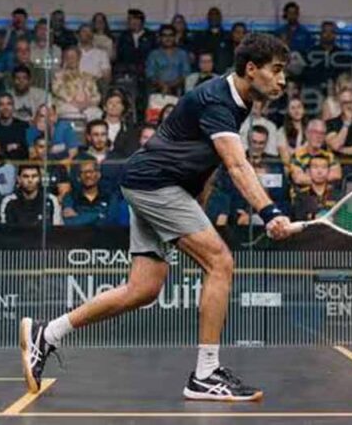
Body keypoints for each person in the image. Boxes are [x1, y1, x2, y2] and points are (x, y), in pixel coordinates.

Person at [20, 33, 294, 402]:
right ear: (251, 69)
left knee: (143, 289)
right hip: (155, 185)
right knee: (220, 262)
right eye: (276, 70)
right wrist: (270, 212)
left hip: (153, 184)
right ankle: (205, 374)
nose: (282, 80)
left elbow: (209, 163)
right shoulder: (218, 99)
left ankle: (47, 333)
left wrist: (197, 208)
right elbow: (236, 164)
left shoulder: (237, 101)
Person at [52, 46, 103, 121]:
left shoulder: (87, 76)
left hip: (87, 105)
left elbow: (96, 95)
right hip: (67, 105)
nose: (71, 60)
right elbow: (57, 90)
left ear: (79, 58)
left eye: (73, 57)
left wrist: (88, 103)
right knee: (74, 112)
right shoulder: (59, 76)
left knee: (97, 113)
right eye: (68, 57)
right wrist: (73, 102)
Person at [61, 159, 115, 226]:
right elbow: (70, 222)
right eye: (84, 172)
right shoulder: (70, 197)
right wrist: (99, 215)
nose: (88, 175)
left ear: (99, 174)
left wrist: (80, 216)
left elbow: (112, 221)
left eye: (91, 171)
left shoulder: (110, 196)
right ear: (79, 177)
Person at [290, 119, 342, 186]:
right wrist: (324, 176)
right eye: (315, 132)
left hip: (326, 192)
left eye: (322, 133)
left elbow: (337, 174)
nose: (319, 137)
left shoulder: (330, 156)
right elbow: (298, 178)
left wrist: (310, 175)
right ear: (307, 134)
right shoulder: (297, 156)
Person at [303, 21, 350, 94]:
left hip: (336, 93)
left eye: (332, 32)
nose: (328, 35)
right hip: (313, 93)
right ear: (320, 34)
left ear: (335, 35)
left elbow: (346, 76)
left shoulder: (343, 55)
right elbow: (305, 75)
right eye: (325, 31)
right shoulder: (310, 53)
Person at [291, 154, 340, 221]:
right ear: (308, 171)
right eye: (315, 167)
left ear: (329, 171)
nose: (319, 171)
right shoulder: (300, 196)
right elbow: (298, 220)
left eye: (324, 167)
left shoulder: (338, 195)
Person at [146, 24, 192, 95]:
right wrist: (162, 85)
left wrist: (169, 86)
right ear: (160, 38)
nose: (168, 38)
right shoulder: (153, 54)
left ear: (175, 37)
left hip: (178, 91)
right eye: (164, 35)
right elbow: (150, 74)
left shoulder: (182, 54)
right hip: (157, 90)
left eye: (171, 35)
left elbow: (186, 74)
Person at [0, 93, 30, 160]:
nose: (5, 107)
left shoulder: (23, 126)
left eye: (9, 104)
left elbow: (27, 151)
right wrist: (6, 148)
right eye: (1, 104)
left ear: (13, 107)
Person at [102, 89, 141, 157]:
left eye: (118, 103)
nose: (114, 105)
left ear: (123, 107)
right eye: (110, 103)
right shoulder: (95, 127)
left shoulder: (130, 129)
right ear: (104, 107)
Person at [192, 7, 231, 74]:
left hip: (222, 74)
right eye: (211, 15)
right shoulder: (200, 37)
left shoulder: (228, 37)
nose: (214, 17)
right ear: (208, 18)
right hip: (203, 74)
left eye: (216, 15)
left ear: (220, 18)